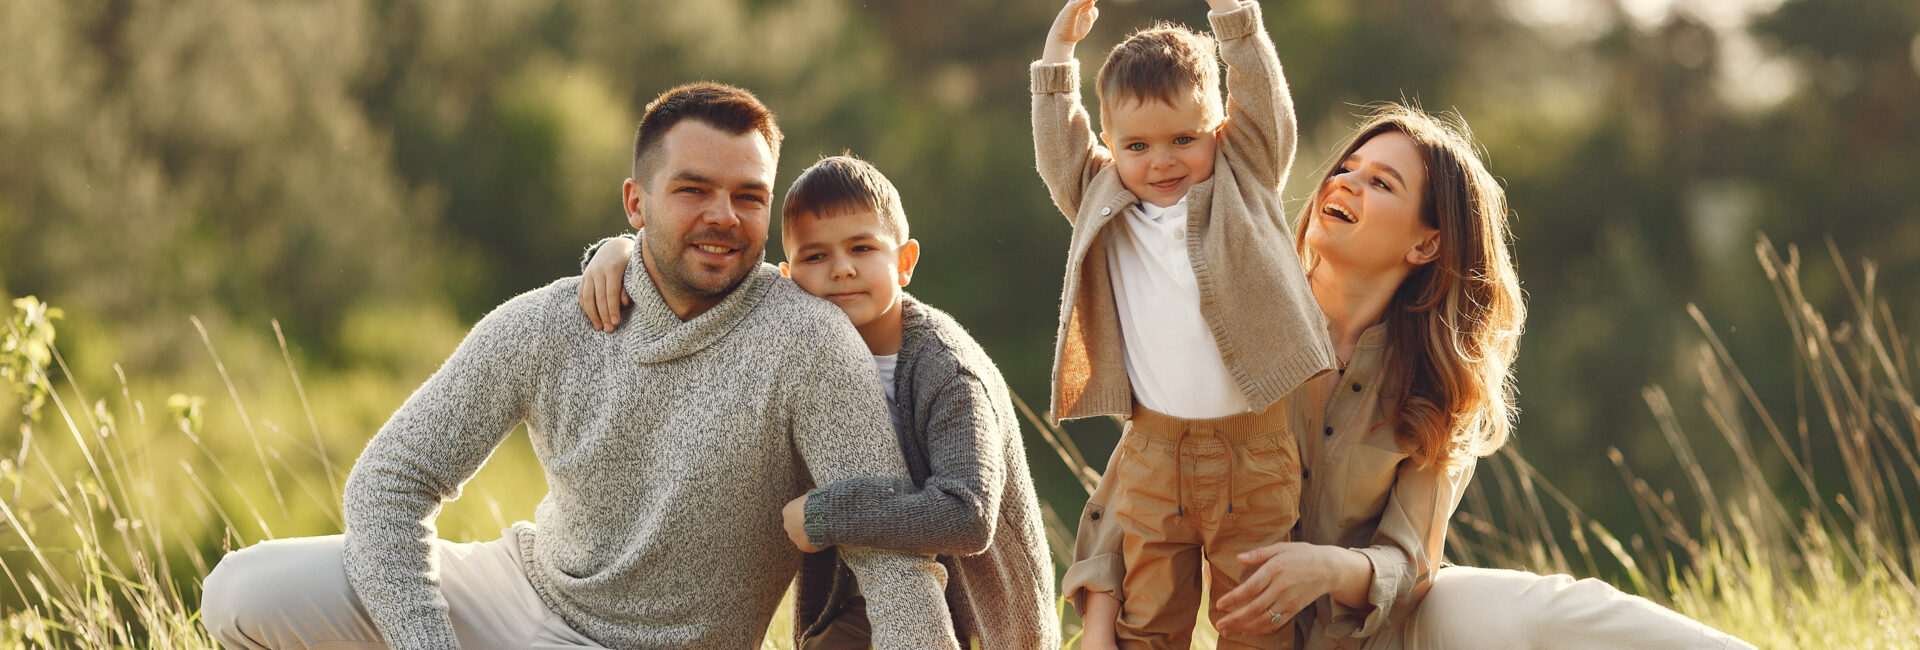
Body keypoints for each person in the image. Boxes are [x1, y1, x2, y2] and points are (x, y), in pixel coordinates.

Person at [197, 82, 959, 650]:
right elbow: (390, 480)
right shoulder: (550, 320)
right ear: (636, 202)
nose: (723, 216)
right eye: (693, 190)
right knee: (242, 591)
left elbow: (891, 558)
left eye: (748, 197)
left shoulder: (812, 342)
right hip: (515, 593)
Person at [1077, 104, 1756, 649]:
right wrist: (1099, 633)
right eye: (1348, 168)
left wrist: (1327, 569)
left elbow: (1410, 565)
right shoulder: (1229, 323)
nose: (1344, 182)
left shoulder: (1437, 386)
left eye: (1382, 183)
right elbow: (1135, 484)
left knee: (1532, 608)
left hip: (1378, 637)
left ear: (1425, 243)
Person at [575, 155, 1060, 649]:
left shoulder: (946, 372)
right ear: (787, 279)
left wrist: (827, 514)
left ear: (905, 262)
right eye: (815, 256)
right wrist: (617, 252)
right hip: (857, 602)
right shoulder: (796, 337)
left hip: (972, 618)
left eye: (862, 248)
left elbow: (968, 516)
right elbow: (697, 277)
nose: (842, 269)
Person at [1032, 0, 1337, 647]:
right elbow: (1060, 150)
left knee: (1257, 623)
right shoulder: (1104, 198)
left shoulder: (1241, 177)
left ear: (1219, 130)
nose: (1162, 161)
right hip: (1154, 454)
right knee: (1148, 623)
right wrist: (1058, 58)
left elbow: (1268, 111)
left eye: (1183, 139)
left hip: (1254, 453)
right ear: (1111, 146)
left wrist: (1235, 18)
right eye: (1137, 145)